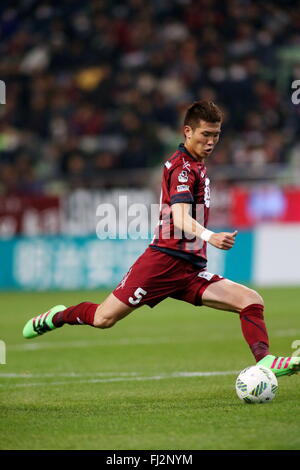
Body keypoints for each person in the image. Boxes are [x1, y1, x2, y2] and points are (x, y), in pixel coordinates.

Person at [23, 100, 299, 378]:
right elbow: (179, 217)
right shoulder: (182, 168)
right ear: (187, 131)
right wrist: (209, 236)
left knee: (250, 300)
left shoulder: (197, 165)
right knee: (102, 319)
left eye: (216, 135)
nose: (211, 141)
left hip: (189, 269)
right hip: (162, 263)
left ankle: (264, 360)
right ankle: (57, 316)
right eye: (205, 134)